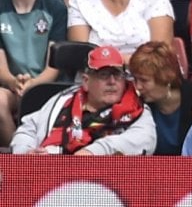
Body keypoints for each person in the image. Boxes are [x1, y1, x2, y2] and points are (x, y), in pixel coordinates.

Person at [10, 45, 157, 155]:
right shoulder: (62, 100)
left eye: (117, 75)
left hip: (108, 185)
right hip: (50, 177)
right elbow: (28, 128)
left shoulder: (137, 109)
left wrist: (92, 152)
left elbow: (145, 140)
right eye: (104, 75)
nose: (112, 82)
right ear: (86, 81)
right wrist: (26, 153)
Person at [0, 0, 67, 147]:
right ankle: (18, 161)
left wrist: (32, 86)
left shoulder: (55, 7)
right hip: (11, 86)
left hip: (47, 86)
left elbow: (54, 66)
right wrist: (13, 82)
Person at [129, 41, 192, 155]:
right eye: (135, 79)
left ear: (166, 77)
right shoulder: (137, 103)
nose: (138, 86)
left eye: (144, 80)